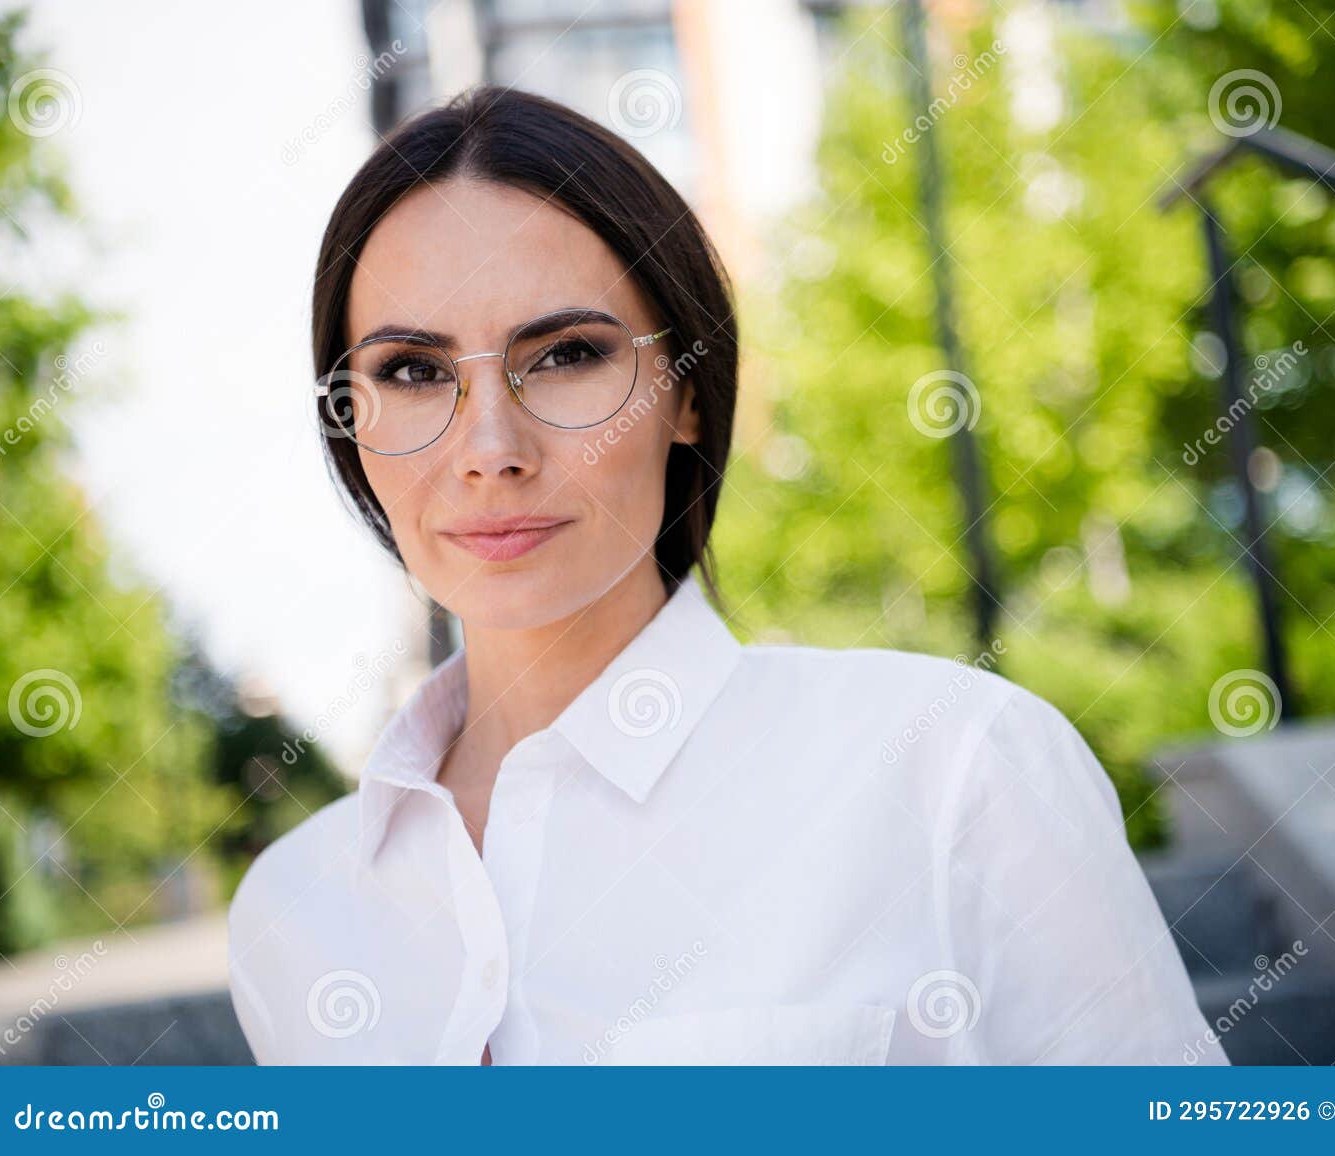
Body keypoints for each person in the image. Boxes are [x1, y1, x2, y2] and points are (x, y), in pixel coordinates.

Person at [225, 84, 1224, 1067]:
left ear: (687, 396)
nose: (491, 447)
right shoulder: (295, 912)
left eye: (567, 353)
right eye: (412, 370)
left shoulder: (954, 770)